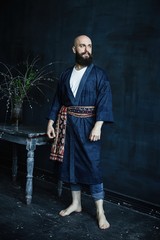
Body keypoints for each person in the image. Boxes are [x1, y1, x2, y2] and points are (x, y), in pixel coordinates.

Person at [47, 35, 113, 230]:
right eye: (82, 46)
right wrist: (51, 123)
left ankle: (100, 211)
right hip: (67, 126)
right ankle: (76, 203)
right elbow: (57, 100)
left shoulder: (99, 75)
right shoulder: (65, 75)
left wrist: (98, 126)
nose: (87, 49)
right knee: (70, 165)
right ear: (74, 49)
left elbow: (104, 100)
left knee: (92, 167)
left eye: (90, 46)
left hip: (88, 126)